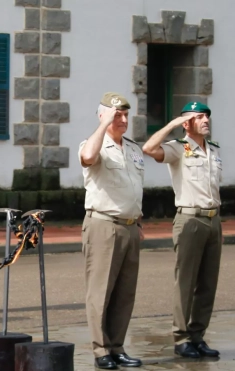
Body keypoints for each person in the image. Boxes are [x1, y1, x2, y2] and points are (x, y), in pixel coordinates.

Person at [142, 102, 222, 359]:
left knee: (208, 283)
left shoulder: (214, 150)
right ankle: (181, 337)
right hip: (190, 220)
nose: (206, 120)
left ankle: (198, 335)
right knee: (185, 282)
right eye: (199, 117)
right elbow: (148, 149)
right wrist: (172, 125)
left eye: (207, 116)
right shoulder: (180, 148)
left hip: (213, 220)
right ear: (187, 123)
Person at [79, 92, 144, 370]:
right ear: (103, 114)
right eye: (117, 114)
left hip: (130, 227)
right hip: (104, 225)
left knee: (124, 292)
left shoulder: (133, 148)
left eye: (126, 114)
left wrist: (138, 221)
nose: (124, 120)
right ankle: (100, 349)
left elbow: (134, 188)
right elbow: (87, 157)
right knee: (100, 291)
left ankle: (117, 346)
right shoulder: (94, 143)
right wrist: (104, 126)